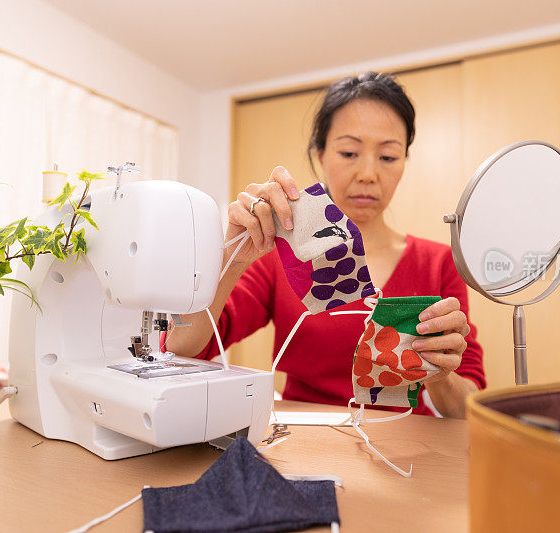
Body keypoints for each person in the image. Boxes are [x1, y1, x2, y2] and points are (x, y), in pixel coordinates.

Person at [166, 72, 485, 418]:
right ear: (320, 154)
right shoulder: (280, 257)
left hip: (406, 456)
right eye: (349, 152)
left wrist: (440, 376)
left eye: (388, 157)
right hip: (304, 447)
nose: (367, 174)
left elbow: (467, 411)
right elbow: (182, 350)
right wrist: (232, 257)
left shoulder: (437, 263)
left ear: (406, 161)